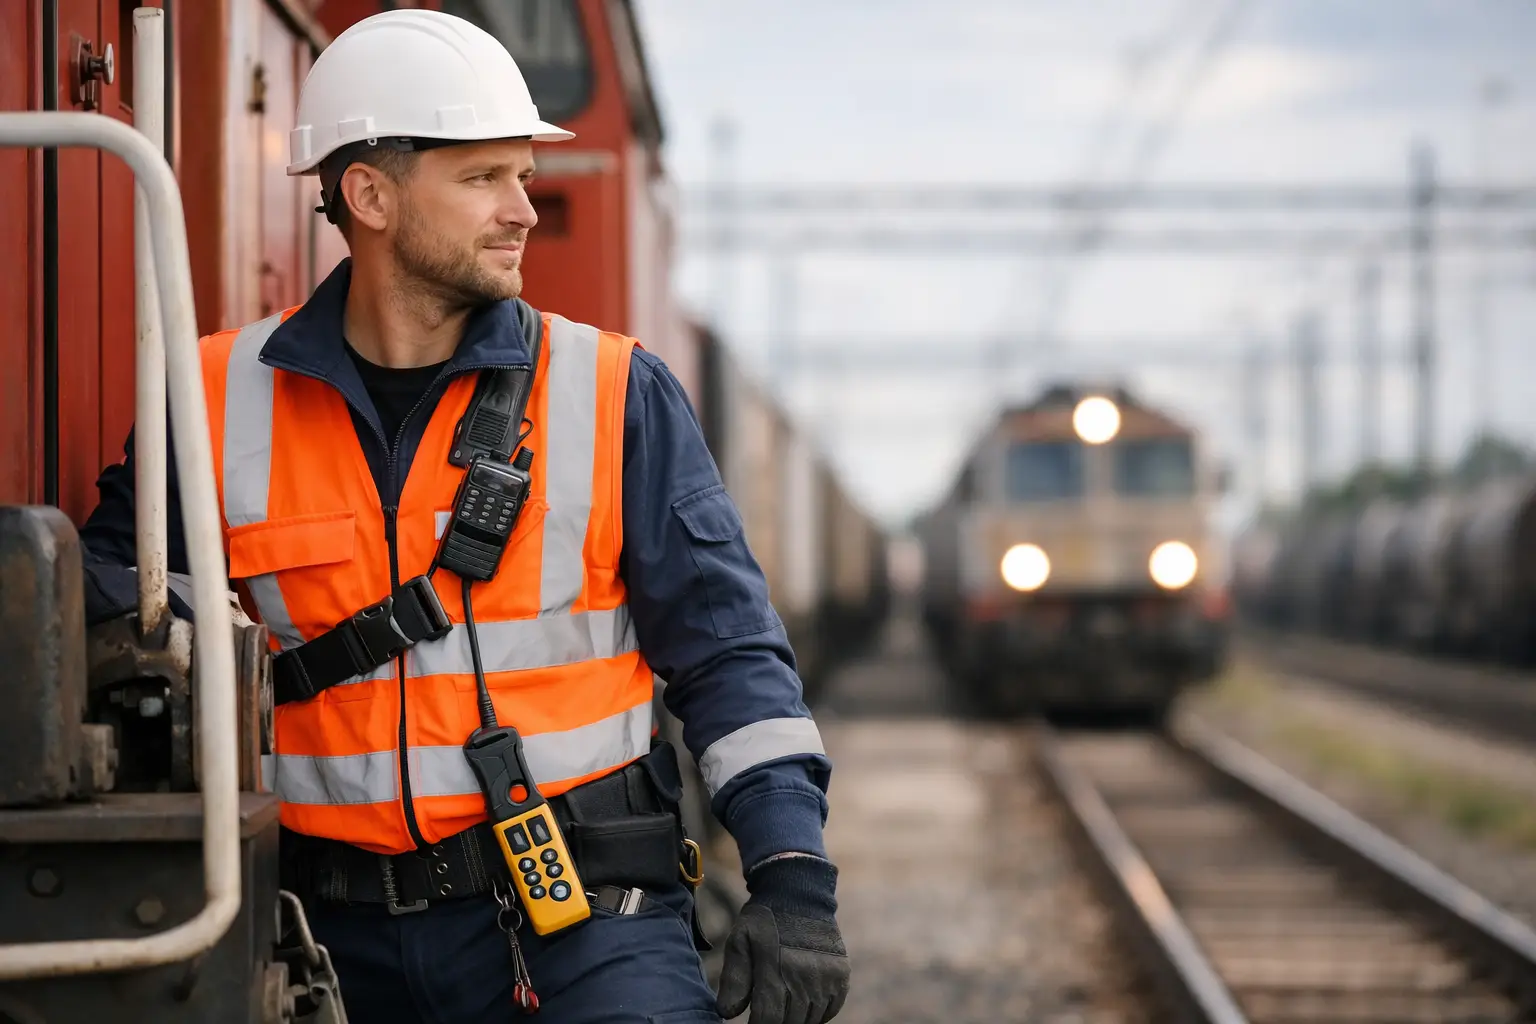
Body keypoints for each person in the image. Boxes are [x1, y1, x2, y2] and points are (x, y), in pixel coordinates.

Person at [76, 9, 848, 1024]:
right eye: (484, 178)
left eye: (524, 175)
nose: (525, 209)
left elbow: (730, 657)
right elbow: (112, 610)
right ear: (370, 195)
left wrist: (792, 876)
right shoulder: (215, 400)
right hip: (316, 933)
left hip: (583, 924)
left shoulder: (615, 392)